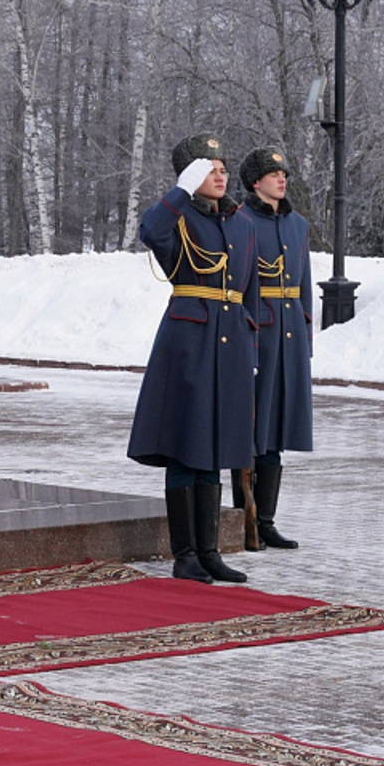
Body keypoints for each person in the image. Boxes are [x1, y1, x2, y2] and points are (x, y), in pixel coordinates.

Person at [128, 133, 257, 583]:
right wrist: (179, 192)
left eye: (223, 169)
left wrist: (250, 347)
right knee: (187, 447)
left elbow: (249, 293)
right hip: (189, 342)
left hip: (231, 342)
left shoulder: (241, 224)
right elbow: (149, 232)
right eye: (209, 170)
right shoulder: (176, 218)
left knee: (217, 447)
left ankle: (209, 551)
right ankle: (185, 554)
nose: (220, 176)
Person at [231, 146, 312, 550]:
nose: (282, 179)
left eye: (284, 173)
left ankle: (265, 520)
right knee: (247, 430)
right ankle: (240, 519)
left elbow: (304, 289)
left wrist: (305, 341)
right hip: (256, 333)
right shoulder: (239, 221)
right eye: (273, 173)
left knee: (276, 429)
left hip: (289, 334)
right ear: (255, 182)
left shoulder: (297, 225)